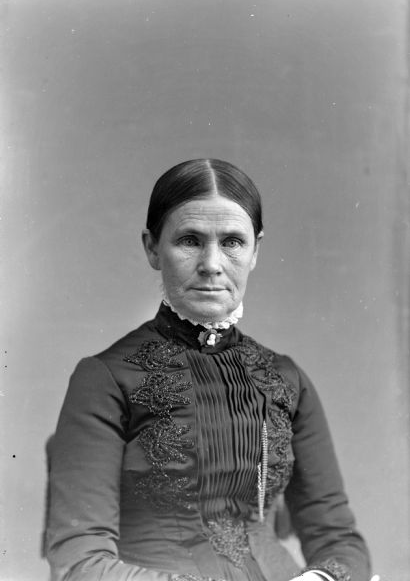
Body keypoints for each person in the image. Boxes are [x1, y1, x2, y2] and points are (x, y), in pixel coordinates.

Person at [46, 159, 371, 581]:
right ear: (151, 247)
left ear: (256, 251)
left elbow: (338, 539)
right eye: (189, 240)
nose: (212, 264)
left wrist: (320, 578)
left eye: (233, 242)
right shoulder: (105, 378)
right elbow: (79, 562)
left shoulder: (286, 380)